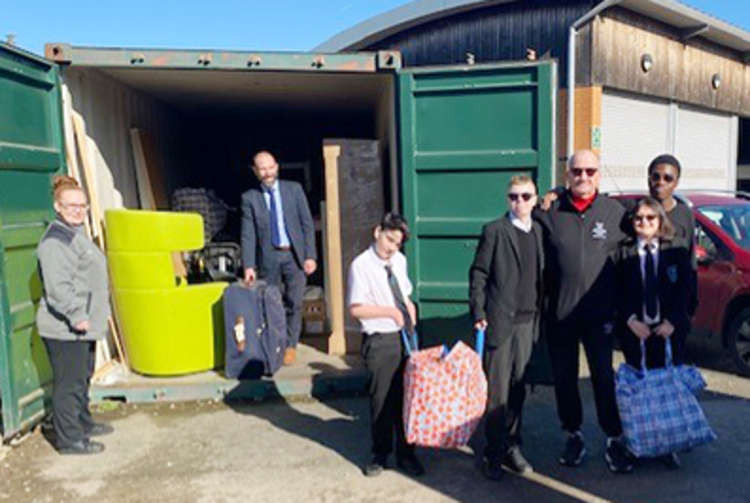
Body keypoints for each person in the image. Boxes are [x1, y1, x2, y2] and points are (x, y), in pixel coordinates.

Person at [534, 150, 634, 474]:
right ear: (567, 175)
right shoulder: (551, 211)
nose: (584, 177)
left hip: (600, 317)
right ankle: (573, 434)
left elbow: (642, 234)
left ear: (599, 175)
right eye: (577, 171)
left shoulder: (614, 212)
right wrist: (549, 195)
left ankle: (613, 436)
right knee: (565, 379)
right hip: (561, 315)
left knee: (603, 378)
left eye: (590, 171)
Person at [469, 175, 544, 481]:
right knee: (497, 392)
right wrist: (478, 310)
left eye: (526, 197)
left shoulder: (538, 231)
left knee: (518, 388)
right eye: (514, 197)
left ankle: (513, 446)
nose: (520, 202)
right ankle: (494, 451)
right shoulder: (495, 231)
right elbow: (479, 273)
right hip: (501, 321)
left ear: (535, 199)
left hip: (529, 322)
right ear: (507, 200)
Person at [36, 175, 113, 455]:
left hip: (83, 323)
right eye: (71, 206)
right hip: (65, 327)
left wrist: (96, 313)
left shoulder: (74, 233)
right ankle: (69, 440)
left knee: (82, 378)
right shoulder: (55, 243)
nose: (78, 211)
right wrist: (77, 315)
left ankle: (82, 423)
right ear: (57, 206)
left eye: (82, 205)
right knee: (68, 384)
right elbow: (59, 288)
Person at [615, 197, 691, 469]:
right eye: (639, 219)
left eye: (650, 218)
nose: (644, 223)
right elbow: (616, 292)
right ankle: (638, 441)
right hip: (637, 332)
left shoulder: (676, 251)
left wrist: (673, 321)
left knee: (664, 389)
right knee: (639, 389)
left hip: (666, 331)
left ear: (660, 221)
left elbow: (687, 290)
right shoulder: (623, 252)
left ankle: (667, 444)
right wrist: (630, 320)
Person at [347, 213, 424, 478]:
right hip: (381, 338)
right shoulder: (361, 265)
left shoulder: (398, 262)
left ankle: (407, 453)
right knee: (382, 398)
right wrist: (390, 312)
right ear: (377, 231)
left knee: (408, 396)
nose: (392, 248)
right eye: (389, 240)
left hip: (405, 335)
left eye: (397, 244)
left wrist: (409, 310)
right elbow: (356, 309)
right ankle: (380, 453)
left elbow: (404, 294)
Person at [241, 150, 317, 365]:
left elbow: (307, 224)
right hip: (269, 257)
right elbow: (248, 234)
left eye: (270, 167)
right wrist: (248, 265)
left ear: (277, 167)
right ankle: (276, 343)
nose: (267, 172)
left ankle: (290, 346)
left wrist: (310, 255)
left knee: (295, 302)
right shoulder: (250, 198)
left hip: (294, 256)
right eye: (262, 168)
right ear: (255, 171)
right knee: (271, 303)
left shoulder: (294, 190)